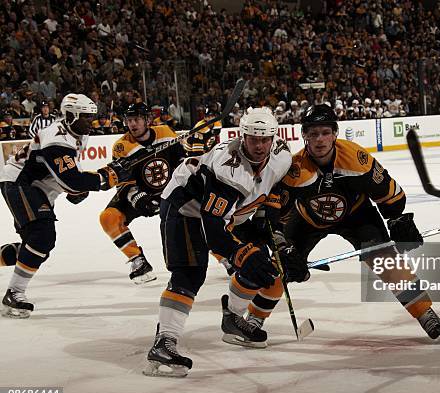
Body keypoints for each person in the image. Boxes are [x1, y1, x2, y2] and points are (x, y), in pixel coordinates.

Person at [233, 104, 440, 348]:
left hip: (357, 216)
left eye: (325, 132)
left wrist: (397, 219)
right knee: (279, 267)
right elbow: (273, 214)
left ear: (335, 133)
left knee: (385, 259)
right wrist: (283, 246)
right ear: (304, 136)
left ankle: (424, 312)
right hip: (307, 219)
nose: (319, 139)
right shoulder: (294, 169)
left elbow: (388, 192)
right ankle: (255, 318)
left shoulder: (356, 159)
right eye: (313, 133)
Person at [142, 107, 292, 377]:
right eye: (253, 139)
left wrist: (273, 226)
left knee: (257, 259)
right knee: (190, 272)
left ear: (274, 137)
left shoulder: (281, 155)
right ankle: (164, 342)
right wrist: (240, 253)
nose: (259, 146)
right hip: (185, 205)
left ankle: (233, 319)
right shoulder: (227, 169)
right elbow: (214, 232)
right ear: (242, 136)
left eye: (265, 139)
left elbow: (275, 188)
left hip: (235, 209)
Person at [0, 93, 131, 318]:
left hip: (37, 187)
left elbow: (69, 178)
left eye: (92, 117)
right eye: (87, 118)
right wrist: (106, 178)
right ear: (71, 116)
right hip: (20, 181)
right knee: (42, 237)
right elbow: (71, 180)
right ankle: (14, 292)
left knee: (38, 248)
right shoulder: (56, 138)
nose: (92, 122)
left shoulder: (77, 134)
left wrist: (78, 188)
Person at [98, 102, 202, 284]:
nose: (132, 124)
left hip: (169, 189)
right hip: (140, 192)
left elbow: (181, 164)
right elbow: (124, 183)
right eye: (129, 120)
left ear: (147, 120)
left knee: (204, 212)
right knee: (109, 217)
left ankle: (225, 256)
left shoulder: (165, 133)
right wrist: (138, 199)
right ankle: (138, 260)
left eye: (136, 119)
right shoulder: (122, 147)